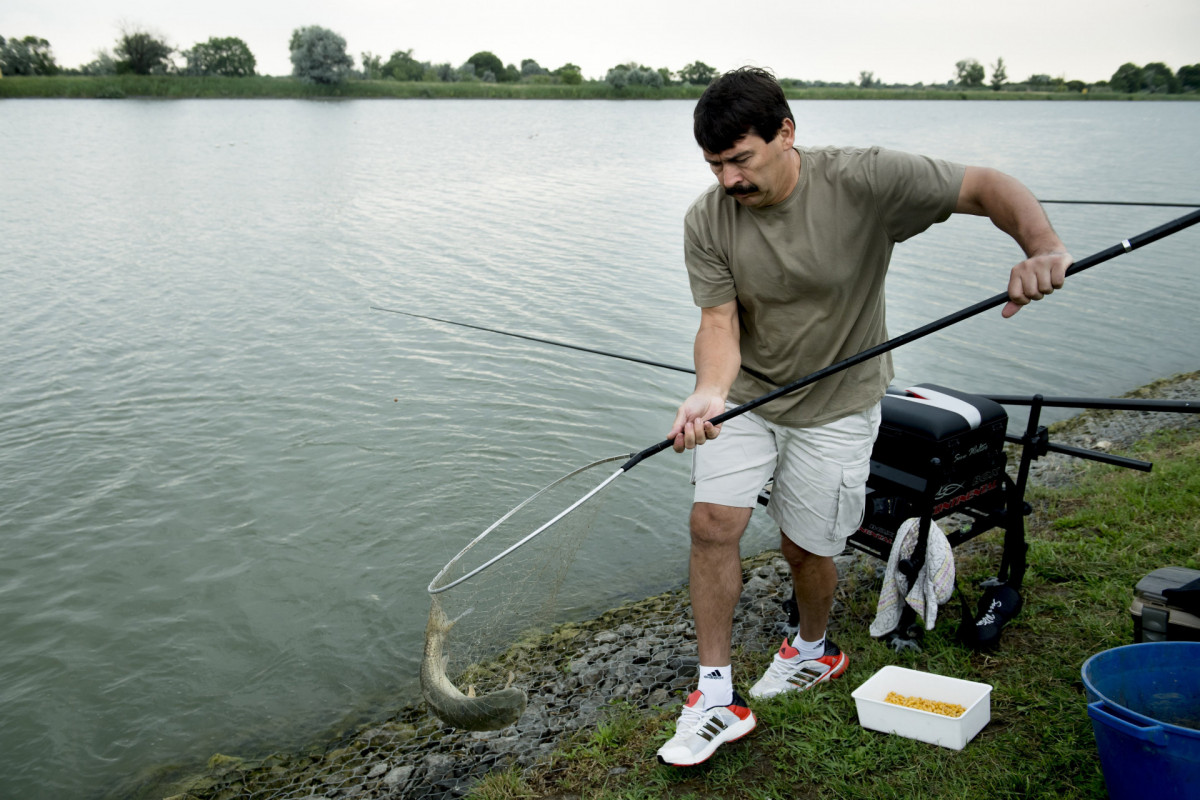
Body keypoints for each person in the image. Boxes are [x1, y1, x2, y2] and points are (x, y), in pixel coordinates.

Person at [654, 67, 1072, 767]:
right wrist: (709, 391)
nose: (728, 179)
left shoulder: (865, 180)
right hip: (749, 395)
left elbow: (987, 187)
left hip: (841, 403)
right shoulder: (707, 218)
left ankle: (813, 649)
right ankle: (715, 694)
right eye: (714, 165)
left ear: (787, 133)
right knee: (711, 523)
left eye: (740, 160)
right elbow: (719, 321)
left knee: (807, 548)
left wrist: (1042, 249)